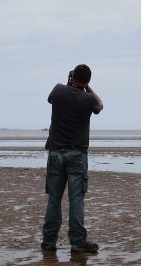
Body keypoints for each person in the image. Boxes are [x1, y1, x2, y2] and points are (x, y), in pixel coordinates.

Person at [41, 64, 104, 253]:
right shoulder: (88, 99)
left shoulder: (59, 90)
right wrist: (88, 88)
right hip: (77, 153)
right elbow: (100, 105)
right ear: (87, 81)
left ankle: (49, 241)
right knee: (76, 199)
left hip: (56, 152)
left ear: (72, 77)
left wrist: (71, 83)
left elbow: (51, 99)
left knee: (54, 199)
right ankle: (77, 242)